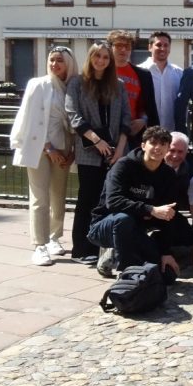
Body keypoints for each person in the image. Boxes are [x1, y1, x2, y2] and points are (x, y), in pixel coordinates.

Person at [88, 126, 193, 279]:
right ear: (143, 145)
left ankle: (118, 254)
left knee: (167, 276)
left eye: (163, 144)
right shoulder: (123, 165)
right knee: (124, 220)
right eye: (153, 143)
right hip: (106, 226)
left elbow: (168, 214)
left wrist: (165, 252)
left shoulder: (168, 174)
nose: (158, 148)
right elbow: (113, 202)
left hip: (137, 230)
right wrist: (150, 210)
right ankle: (125, 271)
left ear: (166, 149)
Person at [10, 46, 78, 267]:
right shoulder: (38, 84)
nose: (54, 64)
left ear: (68, 63)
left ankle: (54, 236)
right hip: (40, 146)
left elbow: (75, 122)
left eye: (60, 60)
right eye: (51, 60)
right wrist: (48, 148)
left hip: (64, 147)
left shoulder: (74, 86)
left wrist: (72, 150)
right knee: (40, 197)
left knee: (58, 196)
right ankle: (39, 245)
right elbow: (29, 117)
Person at [65, 41, 131, 264]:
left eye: (105, 57)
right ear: (90, 57)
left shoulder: (118, 85)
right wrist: (97, 141)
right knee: (87, 199)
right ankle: (81, 249)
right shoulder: (77, 83)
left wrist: (120, 149)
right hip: (89, 151)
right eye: (97, 56)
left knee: (110, 201)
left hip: (115, 151)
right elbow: (73, 115)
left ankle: (104, 247)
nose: (101, 60)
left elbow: (126, 118)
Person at [107, 30, 159, 147]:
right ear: (110, 47)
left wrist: (144, 120)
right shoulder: (102, 73)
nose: (123, 49)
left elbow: (150, 108)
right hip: (107, 134)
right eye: (119, 45)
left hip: (133, 134)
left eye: (127, 46)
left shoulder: (143, 75)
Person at [164, 132, 193, 266]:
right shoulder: (152, 165)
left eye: (180, 152)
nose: (175, 156)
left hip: (172, 214)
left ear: (186, 153)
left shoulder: (191, 174)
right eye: (172, 150)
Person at [140, 31, 183, 132]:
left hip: (172, 132)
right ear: (150, 47)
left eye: (166, 45)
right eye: (158, 45)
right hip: (146, 132)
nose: (162, 48)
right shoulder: (140, 71)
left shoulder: (178, 73)